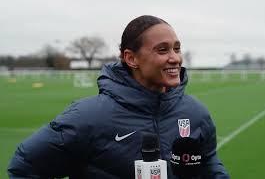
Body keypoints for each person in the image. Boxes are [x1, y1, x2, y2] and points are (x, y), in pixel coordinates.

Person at [8, 15, 229, 179]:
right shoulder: (88, 117)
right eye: (162, 50)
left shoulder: (196, 113)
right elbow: (24, 167)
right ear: (131, 58)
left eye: (177, 48)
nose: (175, 58)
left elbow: (208, 163)